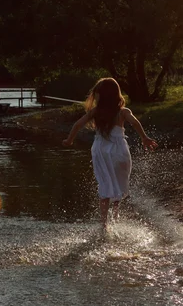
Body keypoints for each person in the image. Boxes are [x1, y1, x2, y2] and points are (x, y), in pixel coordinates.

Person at [62, 78, 158, 230]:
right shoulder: (123, 112)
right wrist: (144, 138)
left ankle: (104, 224)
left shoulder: (95, 112)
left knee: (105, 183)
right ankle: (116, 215)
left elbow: (78, 124)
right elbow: (135, 123)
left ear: (100, 96)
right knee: (118, 181)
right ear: (117, 94)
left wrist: (69, 140)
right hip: (119, 150)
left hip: (101, 150)